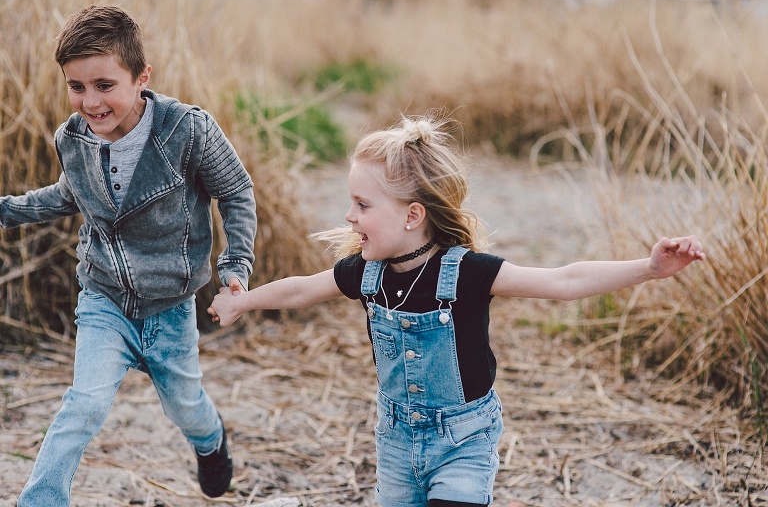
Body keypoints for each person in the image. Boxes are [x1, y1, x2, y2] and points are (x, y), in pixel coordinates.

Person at [208, 113, 704, 507]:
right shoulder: (365, 272)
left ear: (412, 216)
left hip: (464, 439)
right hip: (397, 442)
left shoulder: (468, 272)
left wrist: (649, 268)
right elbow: (300, 290)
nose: (348, 216)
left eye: (362, 205)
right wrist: (243, 301)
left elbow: (563, 281)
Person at [2, 5, 257, 505]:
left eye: (104, 85)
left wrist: (235, 265)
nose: (90, 102)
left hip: (171, 303)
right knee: (84, 404)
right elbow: (68, 195)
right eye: (76, 87)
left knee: (185, 406)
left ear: (142, 78)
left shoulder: (188, 131)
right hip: (105, 298)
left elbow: (237, 192)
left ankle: (211, 443)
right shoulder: (70, 139)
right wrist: (6, 211)